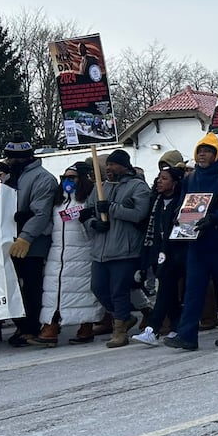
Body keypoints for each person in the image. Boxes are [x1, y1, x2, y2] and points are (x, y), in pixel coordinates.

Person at [164, 133, 218, 351]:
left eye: (207, 151)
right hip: (198, 244)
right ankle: (187, 335)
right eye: (200, 151)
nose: (202, 154)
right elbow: (182, 204)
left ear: (217, 154)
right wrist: (179, 217)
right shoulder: (190, 179)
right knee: (193, 291)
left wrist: (215, 217)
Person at [81, 149, 151, 347]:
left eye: (113, 165)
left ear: (124, 166)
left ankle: (119, 330)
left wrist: (111, 208)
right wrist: (93, 224)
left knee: (118, 290)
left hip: (124, 250)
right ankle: (125, 316)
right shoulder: (100, 187)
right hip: (100, 250)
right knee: (98, 287)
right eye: (107, 165)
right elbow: (87, 212)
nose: (108, 168)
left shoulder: (137, 187)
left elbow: (139, 214)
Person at [32, 162, 101, 347]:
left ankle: (86, 325)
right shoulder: (57, 202)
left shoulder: (88, 199)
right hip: (58, 253)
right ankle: (51, 325)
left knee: (81, 292)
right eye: (64, 177)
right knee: (54, 291)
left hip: (82, 253)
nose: (66, 181)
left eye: (72, 177)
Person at [0, 135, 57, 347]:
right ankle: (21, 325)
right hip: (9, 239)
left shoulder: (43, 178)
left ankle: (32, 326)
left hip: (31, 243)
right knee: (13, 286)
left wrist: (26, 237)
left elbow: (41, 214)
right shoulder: (10, 176)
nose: (9, 161)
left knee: (31, 286)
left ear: (25, 157)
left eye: (14, 158)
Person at [133, 164, 186, 346]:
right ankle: (177, 326)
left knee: (164, 289)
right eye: (158, 178)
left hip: (175, 252)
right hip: (157, 251)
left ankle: (152, 329)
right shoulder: (155, 201)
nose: (159, 182)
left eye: (164, 178)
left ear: (175, 182)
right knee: (168, 292)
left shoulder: (181, 202)